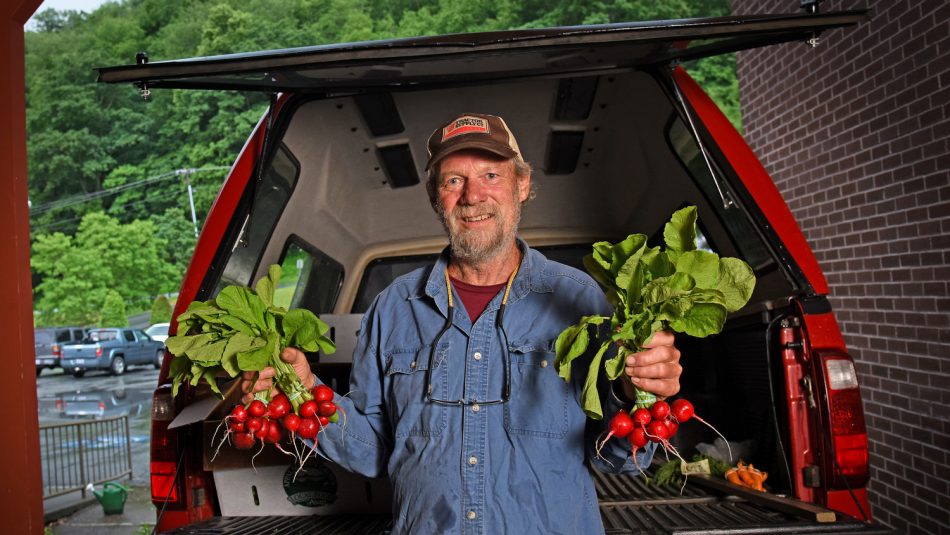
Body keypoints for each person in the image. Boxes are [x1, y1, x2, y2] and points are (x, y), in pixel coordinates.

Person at [242, 113, 682, 534]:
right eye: (454, 181)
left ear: (522, 185)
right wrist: (305, 394)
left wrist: (637, 393)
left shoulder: (581, 299)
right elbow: (373, 452)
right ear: (437, 197)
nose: (473, 196)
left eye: (492, 175)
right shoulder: (392, 308)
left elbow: (615, 458)